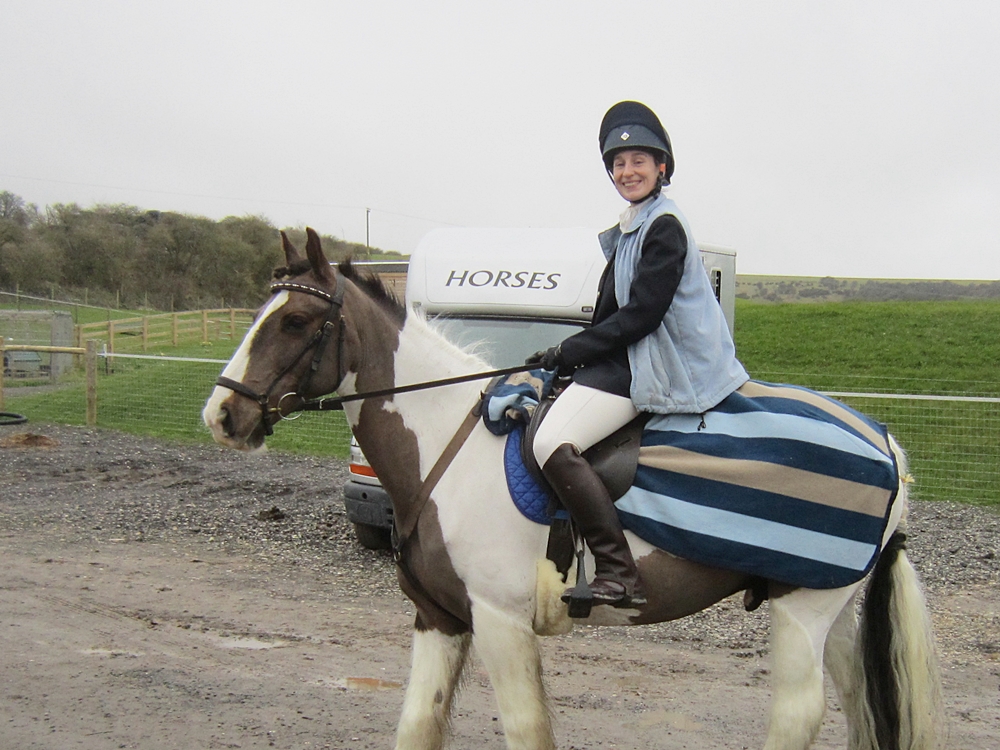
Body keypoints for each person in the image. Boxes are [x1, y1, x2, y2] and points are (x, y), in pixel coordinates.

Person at [528, 101, 749, 608]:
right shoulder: (634, 225)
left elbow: (643, 315)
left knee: (551, 442)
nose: (627, 171)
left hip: (663, 363)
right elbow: (611, 313)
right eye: (618, 164)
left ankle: (617, 570)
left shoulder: (663, 226)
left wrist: (570, 351)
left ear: (661, 167)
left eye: (638, 162)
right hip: (634, 355)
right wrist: (568, 357)